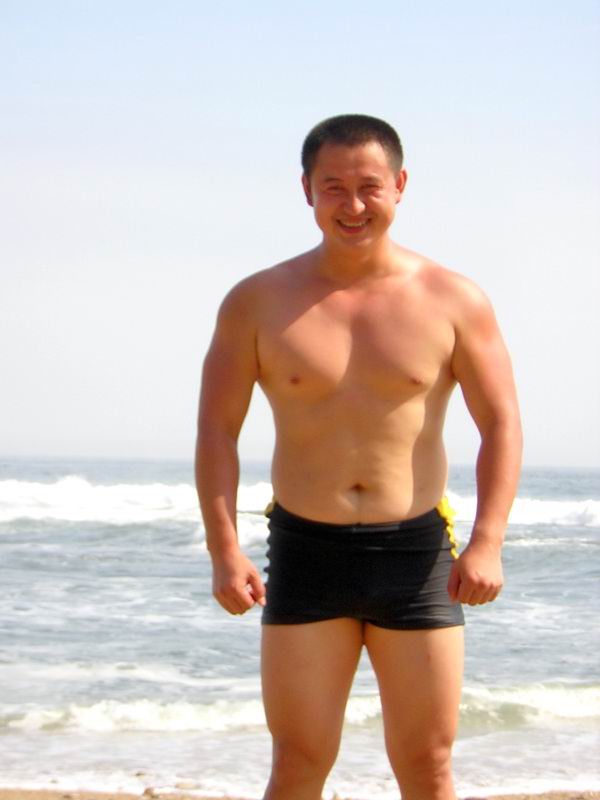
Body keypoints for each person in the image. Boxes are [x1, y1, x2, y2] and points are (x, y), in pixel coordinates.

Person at [195, 114, 522, 800]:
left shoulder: (453, 299)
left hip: (415, 556)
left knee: (429, 766)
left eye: (369, 186)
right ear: (306, 190)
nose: (353, 205)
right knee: (298, 763)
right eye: (333, 187)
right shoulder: (256, 302)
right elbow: (217, 431)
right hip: (306, 552)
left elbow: (500, 424)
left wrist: (487, 542)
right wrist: (224, 550)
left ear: (400, 186)